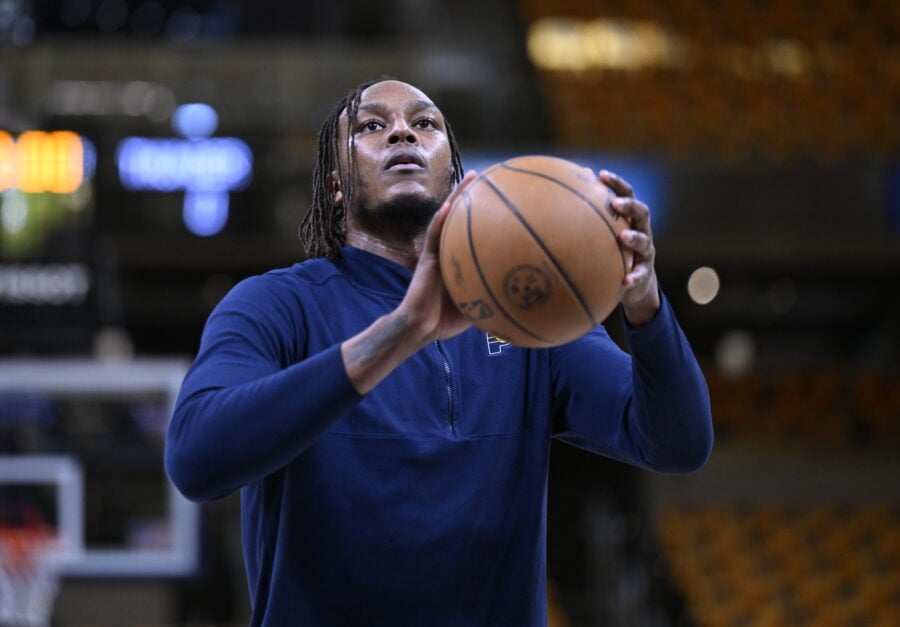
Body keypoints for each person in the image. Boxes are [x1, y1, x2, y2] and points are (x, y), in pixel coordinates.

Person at [165, 77, 714, 627]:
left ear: (455, 175)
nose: (402, 131)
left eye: (424, 123)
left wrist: (643, 302)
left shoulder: (528, 315)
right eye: (371, 126)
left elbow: (677, 443)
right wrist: (403, 330)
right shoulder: (275, 304)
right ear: (336, 186)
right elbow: (195, 460)